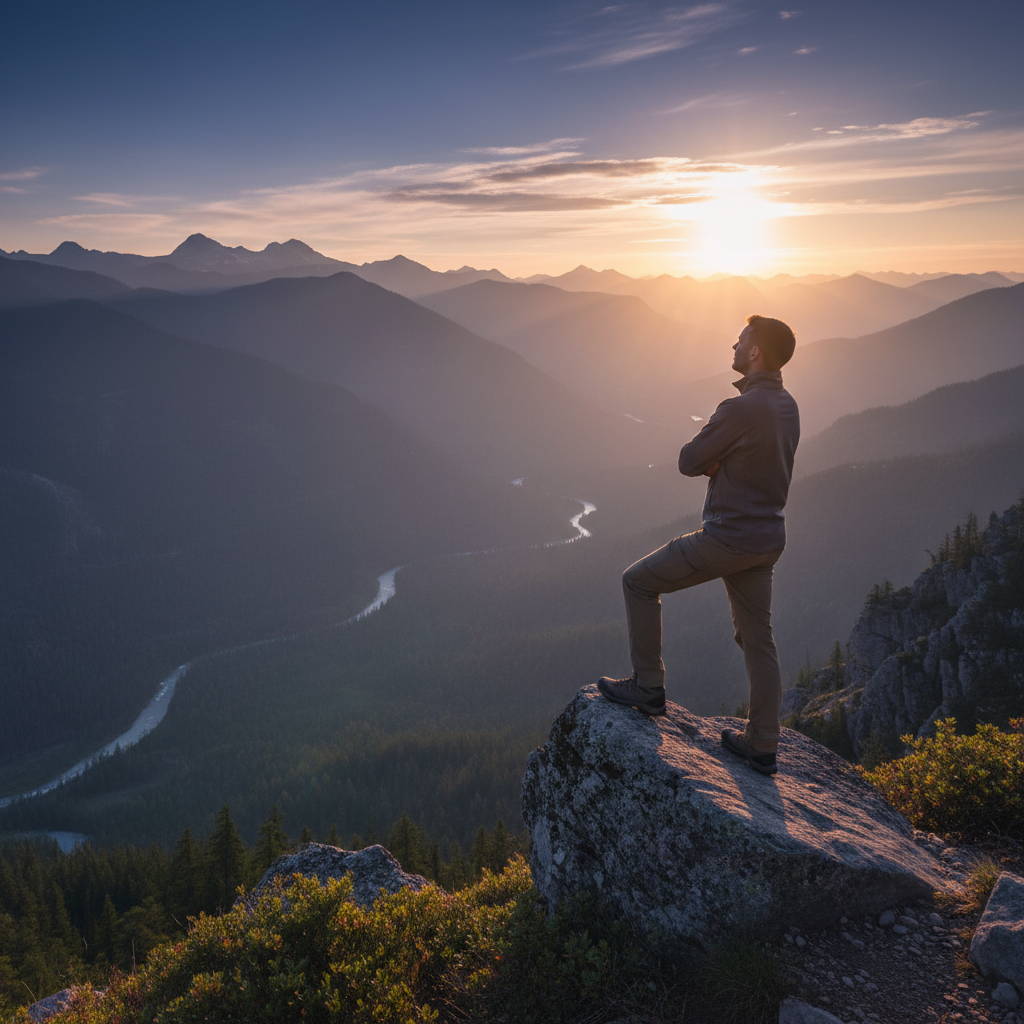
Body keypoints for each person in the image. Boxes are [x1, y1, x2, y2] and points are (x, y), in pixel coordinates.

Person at [598, 314, 800, 776]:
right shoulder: (788, 405)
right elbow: (763, 463)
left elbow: (689, 461)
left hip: (727, 537)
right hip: (767, 539)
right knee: (758, 639)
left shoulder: (739, 408)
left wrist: (717, 464)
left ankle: (648, 687)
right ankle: (763, 743)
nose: (733, 343)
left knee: (638, 583)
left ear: (755, 353)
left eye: (742, 339)